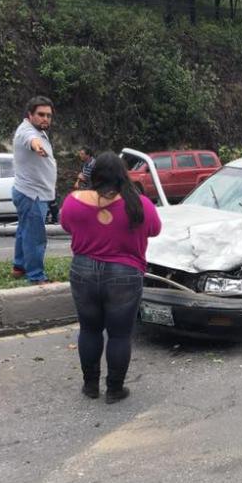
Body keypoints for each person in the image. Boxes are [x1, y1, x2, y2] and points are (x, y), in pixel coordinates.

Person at [59, 152, 162, 403]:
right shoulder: (139, 204)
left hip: (83, 271)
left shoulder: (73, 201)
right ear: (122, 176)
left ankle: (90, 386)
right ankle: (114, 389)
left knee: (90, 330)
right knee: (119, 335)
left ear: (94, 175)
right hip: (124, 274)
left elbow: (65, 225)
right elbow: (155, 230)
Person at [12, 96, 57, 283]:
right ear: (30, 115)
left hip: (29, 192)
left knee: (24, 230)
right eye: (40, 114)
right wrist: (36, 146)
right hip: (32, 195)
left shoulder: (38, 130)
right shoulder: (27, 132)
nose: (45, 118)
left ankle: (19, 267)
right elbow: (31, 141)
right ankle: (36, 277)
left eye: (48, 115)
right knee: (35, 237)